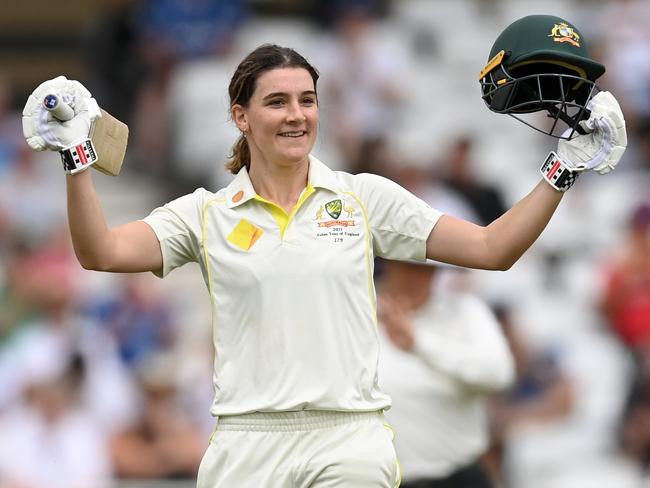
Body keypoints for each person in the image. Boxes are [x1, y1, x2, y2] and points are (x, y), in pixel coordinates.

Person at [20, 21, 626, 487]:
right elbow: (100, 253)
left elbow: (492, 249)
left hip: (348, 437)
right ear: (241, 116)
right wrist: (77, 160)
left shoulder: (364, 198)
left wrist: (563, 169)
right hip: (245, 442)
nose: (296, 114)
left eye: (307, 100)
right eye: (277, 101)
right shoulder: (204, 213)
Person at [376, 260, 514, 487]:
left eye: (428, 267)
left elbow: (499, 375)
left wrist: (419, 344)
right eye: (408, 265)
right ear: (388, 263)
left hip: (463, 475)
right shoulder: (355, 314)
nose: (420, 276)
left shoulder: (466, 310)